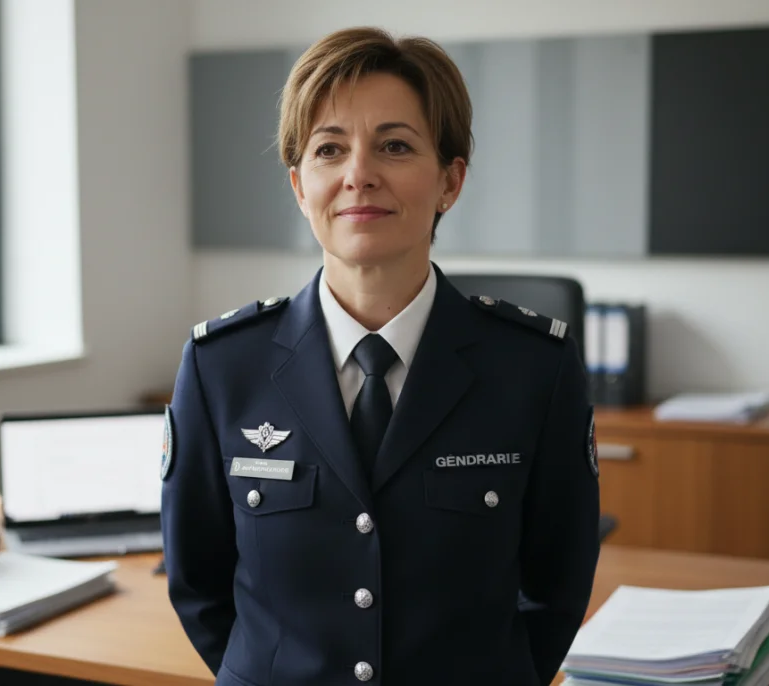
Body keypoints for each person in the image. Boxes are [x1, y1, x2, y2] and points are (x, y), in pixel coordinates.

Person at [161, 26, 600, 686]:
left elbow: (557, 586)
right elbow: (198, 583)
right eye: (329, 149)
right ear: (299, 186)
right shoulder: (221, 367)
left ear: (450, 181)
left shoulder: (533, 369)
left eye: (394, 146)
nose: (358, 175)